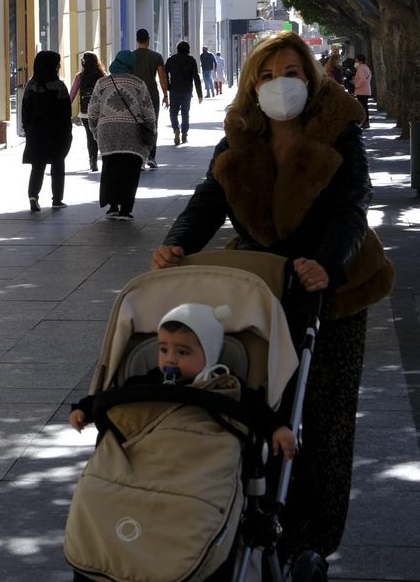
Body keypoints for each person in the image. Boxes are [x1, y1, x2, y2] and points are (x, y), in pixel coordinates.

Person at [150, 31, 393, 560]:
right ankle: (253, 510)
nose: (279, 83)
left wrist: (327, 264)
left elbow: (353, 203)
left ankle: (313, 539)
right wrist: (177, 243)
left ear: (309, 77)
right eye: (267, 75)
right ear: (252, 84)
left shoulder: (339, 129)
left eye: (290, 73)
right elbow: (208, 199)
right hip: (262, 286)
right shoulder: (240, 135)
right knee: (256, 406)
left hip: (333, 286)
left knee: (324, 417)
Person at [67, 303, 298, 461]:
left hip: (200, 451)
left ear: (209, 355)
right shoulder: (150, 381)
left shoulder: (223, 384)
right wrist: (84, 409)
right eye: (163, 350)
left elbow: (255, 406)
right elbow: (116, 396)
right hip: (149, 448)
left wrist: (276, 428)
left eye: (183, 352)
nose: (170, 359)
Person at [88, 50, 155, 220]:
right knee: (130, 171)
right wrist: (151, 131)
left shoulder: (102, 83)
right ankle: (125, 209)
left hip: (107, 133)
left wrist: (95, 131)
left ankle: (112, 207)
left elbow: (93, 111)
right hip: (132, 134)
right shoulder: (139, 84)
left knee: (110, 168)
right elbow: (148, 112)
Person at [21, 50, 73, 212]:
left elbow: (25, 111)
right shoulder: (59, 86)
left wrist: (28, 129)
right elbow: (66, 113)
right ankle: (57, 199)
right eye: (57, 64)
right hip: (56, 133)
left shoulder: (31, 85)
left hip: (36, 132)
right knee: (58, 164)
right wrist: (67, 132)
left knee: (37, 166)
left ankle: (33, 196)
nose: (58, 66)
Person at [131, 29, 169, 168]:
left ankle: (140, 158)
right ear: (148, 40)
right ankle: (151, 157)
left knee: (136, 125)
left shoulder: (131, 56)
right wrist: (165, 95)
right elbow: (162, 76)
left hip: (134, 95)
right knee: (152, 125)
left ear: (137, 40)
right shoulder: (156, 56)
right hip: (151, 94)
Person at [70, 52, 106, 173]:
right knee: (101, 136)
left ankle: (93, 161)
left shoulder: (80, 76)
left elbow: (73, 93)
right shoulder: (102, 75)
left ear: (83, 62)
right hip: (101, 112)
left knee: (90, 137)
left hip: (86, 112)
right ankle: (105, 160)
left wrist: (65, 107)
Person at [164, 41, 204, 146]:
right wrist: (200, 94)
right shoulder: (191, 60)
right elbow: (196, 77)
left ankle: (176, 129)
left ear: (177, 49)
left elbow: (164, 74)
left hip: (174, 90)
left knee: (173, 112)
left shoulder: (171, 60)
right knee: (185, 113)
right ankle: (184, 135)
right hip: (187, 91)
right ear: (188, 50)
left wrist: (168, 86)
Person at [353, 55, 373, 127]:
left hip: (361, 91)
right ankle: (366, 122)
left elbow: (362, 80)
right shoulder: (366, 68)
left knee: (362, 107)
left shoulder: (360, 69)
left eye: (357, 61)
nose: (356, 63)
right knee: (365, 107)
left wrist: (356, 86)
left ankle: (364, 122)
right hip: (366, 90)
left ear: (360, 61)